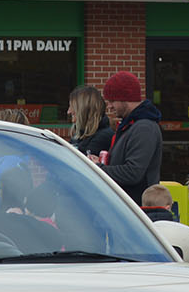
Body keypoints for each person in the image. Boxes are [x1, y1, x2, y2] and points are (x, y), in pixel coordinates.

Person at [100, 71, 162, 205]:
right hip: (128, 207)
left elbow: (133, 173)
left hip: (137, 210)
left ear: (125, 98)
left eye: (112, 101)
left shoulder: (144, 128)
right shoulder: (130, 126)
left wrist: (96, 169)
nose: (109, 106)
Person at [68, 85, 112, 157]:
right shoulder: (80, 134)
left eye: (72, 107)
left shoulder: (103, 137)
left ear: (84, 110)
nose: (68, 111)